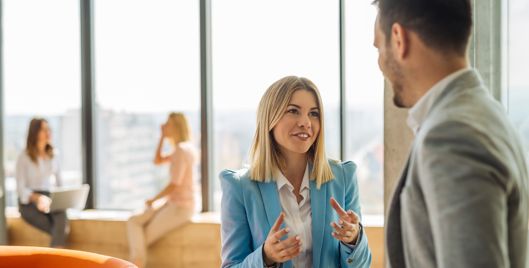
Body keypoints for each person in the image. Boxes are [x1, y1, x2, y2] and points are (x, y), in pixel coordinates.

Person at [372, 0, 529, 267]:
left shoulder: (451, 135)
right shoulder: (485, 113)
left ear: (399, 39)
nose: (380, 62)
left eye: (378, 47)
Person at [220, 76, 372, 268]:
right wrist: (265, 257)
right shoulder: (239, 187)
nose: (305, 122)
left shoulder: (343, 177)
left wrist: (354, 238)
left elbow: (362, 265)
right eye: (293, 111)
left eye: (314, 113)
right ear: (270, 118)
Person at [127, 112, 197, 268]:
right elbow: (157, 160)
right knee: (134, 221)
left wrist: (154, 200)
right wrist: (162, 137)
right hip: (174, 203)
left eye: (168, 124)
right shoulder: (184, 148)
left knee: (142, 237)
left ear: (176, 127)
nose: (165, 126)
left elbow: (174, 184)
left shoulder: (181, 150)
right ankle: (135, 263)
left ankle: (136, 264)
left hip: (180, 207)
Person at [16, 118, 68, 248]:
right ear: (35, 133)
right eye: (44, 129)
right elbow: (21, 189)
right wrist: (37, 198)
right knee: (61, 229)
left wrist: (64, 199)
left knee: (61, 215)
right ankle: (56, 261)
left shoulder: (54, 155)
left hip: (49, 198)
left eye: (49, 129)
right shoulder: (24, 156)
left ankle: (53, 263)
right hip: (28, 202)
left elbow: (60, 185)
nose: (48, 132)